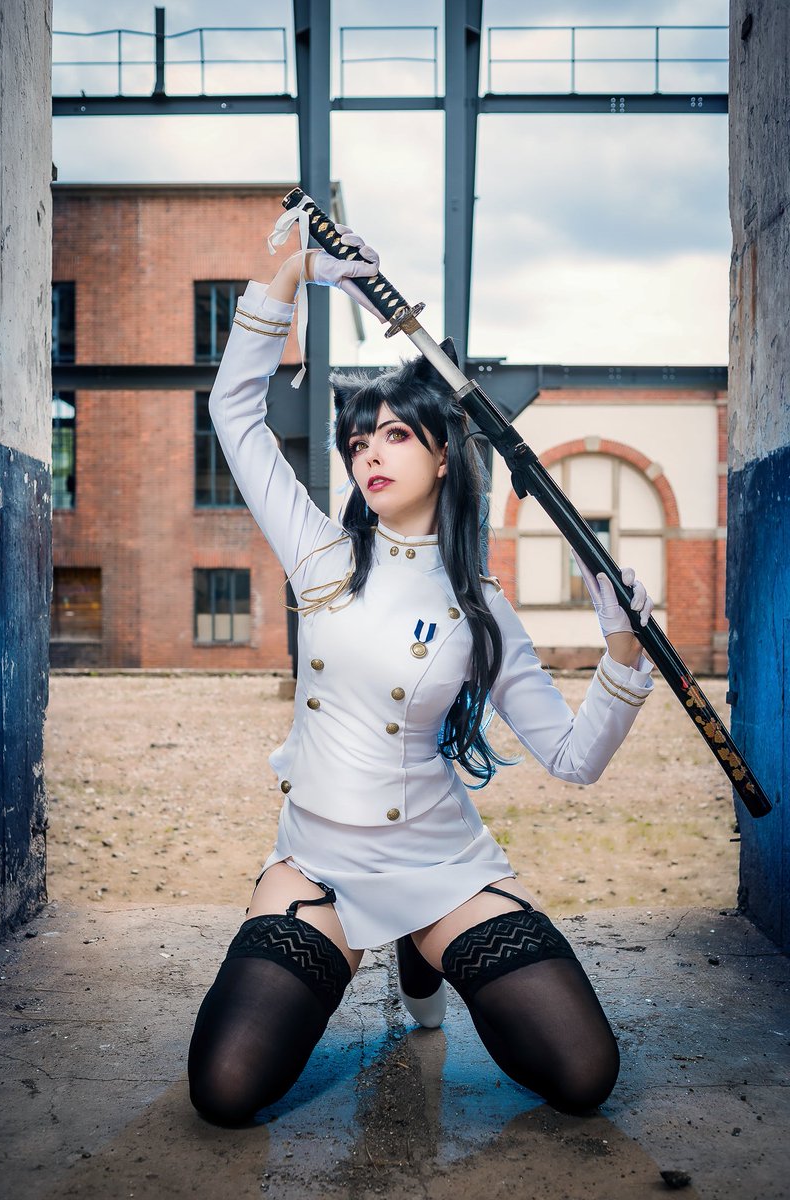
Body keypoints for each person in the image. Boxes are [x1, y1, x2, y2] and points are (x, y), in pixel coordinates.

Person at [187, 226, 655, 1127]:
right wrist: (295, 272)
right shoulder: (320, 553)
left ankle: (424, 943)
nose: (369, 454)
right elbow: (234, 413)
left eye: (395, 435)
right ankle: (393, 945)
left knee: (584, 1073)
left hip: (437, 861)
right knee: (227, 1087)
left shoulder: (482, 608)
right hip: (320, 862)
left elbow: (573, 758)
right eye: (358, 440)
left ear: (444, 454)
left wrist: (622, 651)